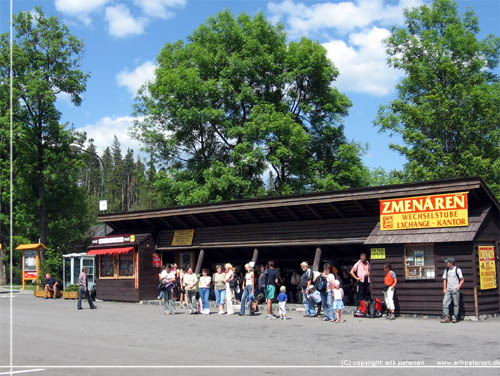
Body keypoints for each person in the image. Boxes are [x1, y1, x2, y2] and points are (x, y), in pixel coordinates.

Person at [441, 257, 464, 323]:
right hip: (448, 289)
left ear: (451, 263)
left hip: (455, 289)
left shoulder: (457, 270)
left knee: (456, 304)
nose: (447, 264)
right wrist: (444, 288)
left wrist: (458, 287)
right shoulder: (446, 270)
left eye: (447, 262)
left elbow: (462, 279)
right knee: (445, 303)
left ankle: (455, 317)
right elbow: (444, 280)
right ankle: (446, 317)